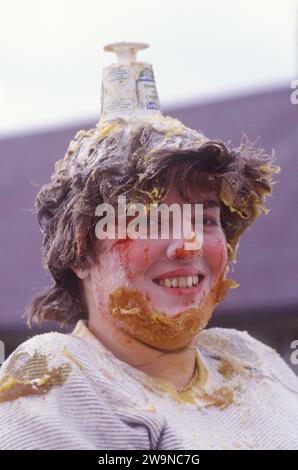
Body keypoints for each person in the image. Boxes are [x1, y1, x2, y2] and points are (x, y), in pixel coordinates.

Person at [0, 42, 297, 450]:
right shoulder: (52, 379)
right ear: (78, 252)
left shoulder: (251, 360)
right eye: (151, 220)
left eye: (206, 220)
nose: (189, 243)